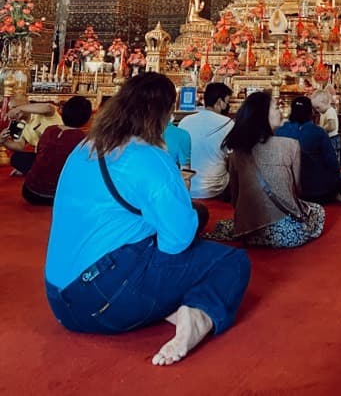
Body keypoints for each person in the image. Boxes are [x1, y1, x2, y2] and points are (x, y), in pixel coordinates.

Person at [44, 72, 250, 367]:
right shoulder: (148, 156)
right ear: (164, 114)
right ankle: (198, 316)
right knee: (231, 261)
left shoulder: (85, 147)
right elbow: (177, 241)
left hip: (60, 299)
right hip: (103, 303)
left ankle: (168, 304)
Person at [206, 90, 325, 248]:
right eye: (275, 107)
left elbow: (235, 198)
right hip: (290, 234)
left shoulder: (237, 152)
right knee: (317, 210)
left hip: (248, 232)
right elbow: (296, 189)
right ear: (263, 116)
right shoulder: (290, 145)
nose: (279, 111)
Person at [276, 95, 341, 207]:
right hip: (318, 190)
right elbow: (332, 163)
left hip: (289, 189)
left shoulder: (280, 131)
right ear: (311, 113)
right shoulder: (318, 132)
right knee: (340, 176)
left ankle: (337, 193)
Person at [18, 95, 92, 205]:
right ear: (87, 118)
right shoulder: (83, 138)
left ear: (63, 112)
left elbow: (40, 152)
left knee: (20, 158)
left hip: (29, 192)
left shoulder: (50, 130)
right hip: (58, 197)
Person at [179, 82, 233, 199]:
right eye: (227, 102)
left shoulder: (185, 121)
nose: (228, 107)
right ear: (219, 102)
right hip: (216, 187)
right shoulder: (227, 123)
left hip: (186, 185)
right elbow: (233, 157)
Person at [1, 94, 63, 175]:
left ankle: (39, 172)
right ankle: (39, 172)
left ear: (27, 104)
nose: (13, 112)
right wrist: (3, 141)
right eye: (11, 109)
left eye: (15, 107)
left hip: (59, 153)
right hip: (42, 157)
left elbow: (48, 107)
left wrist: (19, 108)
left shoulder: (42, 112)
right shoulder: (20, 124)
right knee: (16, 158)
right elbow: (19, 146)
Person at [312, 88, 340, 162]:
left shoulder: (329, 111)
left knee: (332, 158)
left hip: (332, 139)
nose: (317, 110)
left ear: (325, 102)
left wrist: (320, 129)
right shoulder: (324, 112)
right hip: (329, 139)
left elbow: (332, 126)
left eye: (318, 107)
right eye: (315, 108)